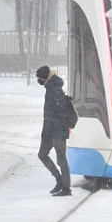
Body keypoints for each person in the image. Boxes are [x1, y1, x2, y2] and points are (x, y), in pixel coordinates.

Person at [35, 65, 72, 197]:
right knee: (42, 154)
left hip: (57, 130)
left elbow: (60, 112)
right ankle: (59, 179)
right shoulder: (50, 88)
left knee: (61, 158)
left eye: (39, 78)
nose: (38, 80)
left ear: (45, 77)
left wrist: (56, 129)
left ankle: (66, 188)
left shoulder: (55, 89)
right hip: (50, 130)